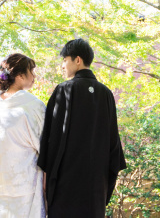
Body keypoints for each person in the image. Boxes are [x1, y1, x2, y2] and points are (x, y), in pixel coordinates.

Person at [37, 38, 127, 218]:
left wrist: (46, 175)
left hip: (65, 184)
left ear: (77, 60)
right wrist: (106, 181)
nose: (62, 65)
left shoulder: (64, 90)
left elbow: (51, 137)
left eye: (65, 60)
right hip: (95, 184)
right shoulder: (106, 94)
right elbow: (113, 141)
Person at [0, 53, 45, 218]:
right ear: (20, 76)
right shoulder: (34, 106)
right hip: (25, 186)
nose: (34, 76)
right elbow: (46, 148)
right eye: (31, 72)